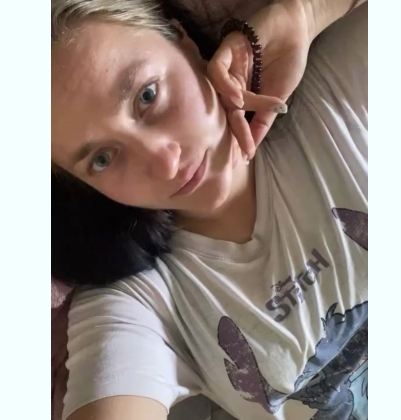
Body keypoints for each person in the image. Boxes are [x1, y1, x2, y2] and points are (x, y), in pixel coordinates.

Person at [51, 0, 368, 419]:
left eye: (148, 95)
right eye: (102, 159)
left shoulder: (337, 98)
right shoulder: (140, 302)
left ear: (180, 39)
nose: (165, 163)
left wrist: (305, 12)